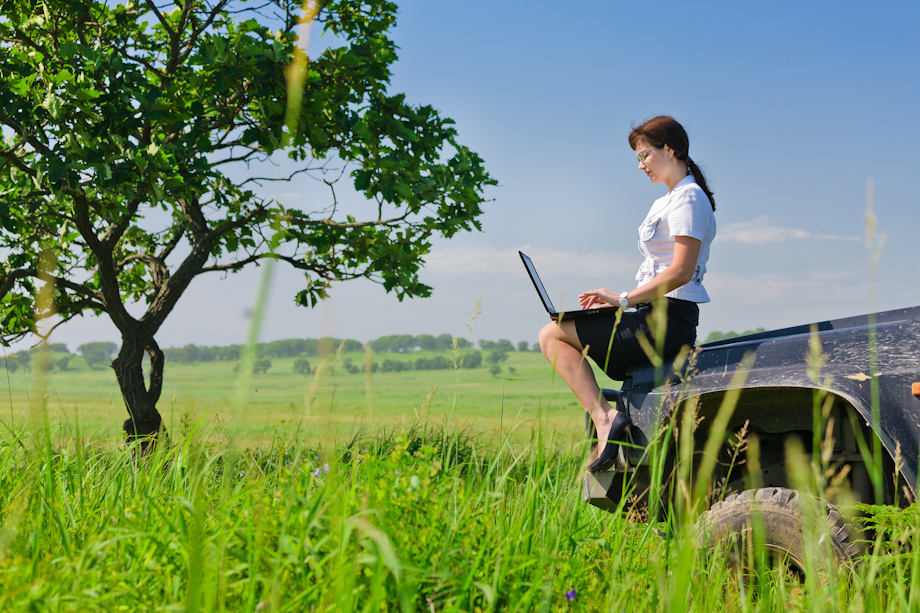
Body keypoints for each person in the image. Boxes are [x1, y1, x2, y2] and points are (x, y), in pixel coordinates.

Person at [538, 115, 717, 472]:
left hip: (666, 320)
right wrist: (620, 303)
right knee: (554, 330)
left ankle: (605, 418)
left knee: (551, 335)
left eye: (645, 154)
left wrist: (623, 299)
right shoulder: (667, 201)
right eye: (638, 157)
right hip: (651, 314)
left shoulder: (689, 198)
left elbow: (680, 271)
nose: (641, 165)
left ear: (671, 149)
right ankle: (605, 414)